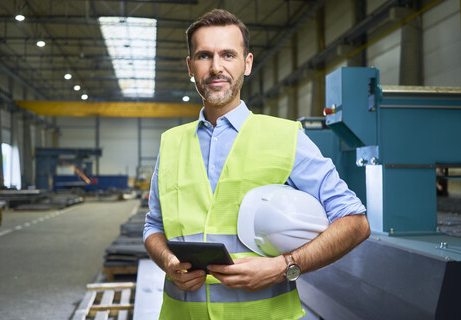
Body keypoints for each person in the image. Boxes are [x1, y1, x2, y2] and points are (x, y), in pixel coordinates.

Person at [143, 9, 370, 319]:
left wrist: (282, 267)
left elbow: (354, 222)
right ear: (190, 67)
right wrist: (168, 262)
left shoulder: (285, 136)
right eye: (204, 56)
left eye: (228, 55)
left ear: (247, 64)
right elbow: (154, 227)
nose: (216, 67)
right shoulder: (170, 143)